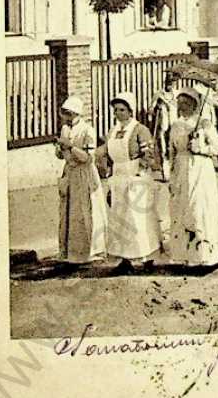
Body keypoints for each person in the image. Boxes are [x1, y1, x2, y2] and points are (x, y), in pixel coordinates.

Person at [93, 92, 161, 275]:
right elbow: (107, 152)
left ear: (130, 111)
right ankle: (124, 258)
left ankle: (146, 257)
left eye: (122, 109)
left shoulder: (140, 130)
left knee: (138, 219)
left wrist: (141, 169)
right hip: (118, 177)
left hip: (136, 177)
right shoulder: (113, 131)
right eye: (115, 110)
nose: (118, 113)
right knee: (119, 219)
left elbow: (149, 152)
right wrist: (103, 165)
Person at [169, 88, 218, 272]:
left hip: (200, 170)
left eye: (186, 103)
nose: (182, 106)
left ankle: (204, 257)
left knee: (199, 209)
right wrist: (171, 175)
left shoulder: (204, 124)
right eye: (180, 103)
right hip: (181, 169)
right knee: (182, 209)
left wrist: (201, 148)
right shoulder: (176, 125)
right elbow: (172, 151)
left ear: (195, 104)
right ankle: (182, 257)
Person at [55, 96, 108, 266]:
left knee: (85, 210)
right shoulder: (64, 129)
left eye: (70, 114)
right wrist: (60, 148)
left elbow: (88, 158)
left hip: (84, 174)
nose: (67, 118)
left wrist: (70, 146)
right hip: (70, 173)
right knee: (68, 212)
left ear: (77, 113)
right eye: (65, 114)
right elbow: (60, 155)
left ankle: (90, 250)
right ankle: (70, 251)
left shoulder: (87, 130)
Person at [150, 71, 178, 181]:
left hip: (174, 124)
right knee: (163, 149)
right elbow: (150, 110)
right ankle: (164, 171)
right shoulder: (159, 94)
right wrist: (157, 106)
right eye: (168, 82)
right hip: (163, 125)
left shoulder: (176, 94)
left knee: (173, 148)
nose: (170, 85)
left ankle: (174, 170)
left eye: (172, 83)